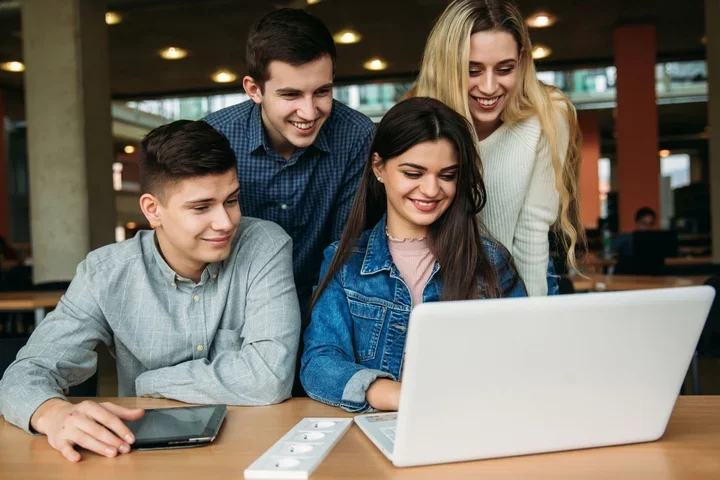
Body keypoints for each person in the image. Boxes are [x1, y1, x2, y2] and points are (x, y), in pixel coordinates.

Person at [0, 120, 300, 462]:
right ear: (152, 210)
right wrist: (52, 413)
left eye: (231, 200)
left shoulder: (265, 245)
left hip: (253, 448)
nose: (226, 222)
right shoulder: (105, 273)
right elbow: (26, 373)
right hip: (139, 456)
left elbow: (268, 378)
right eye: (201, 207)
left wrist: (148, 382)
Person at [300, 98, 527, 413]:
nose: (431, 189)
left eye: (447, 175)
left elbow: (524, 359)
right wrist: (398, 396)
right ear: (379, 167)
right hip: (381, 431)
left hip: (473, 423)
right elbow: (318, 364)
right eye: (413, 173)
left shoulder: (491, 262)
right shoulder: (345, 260)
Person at [204, 8, 375, 317]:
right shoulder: (215, 136)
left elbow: (345, 251)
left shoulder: (357, 136)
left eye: (322, 91)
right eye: (291, 95)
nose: (309, 113)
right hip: (233, 310)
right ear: (254, 90)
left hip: (324, 306)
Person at [408, 0, 584, 296]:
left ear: (522, 60)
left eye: (504, 69)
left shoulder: (548, 114)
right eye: (472, 71)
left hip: (523, 283)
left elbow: (532, 234)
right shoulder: (422, 118)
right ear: (446, 66)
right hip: (441, 284)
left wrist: (529, 322)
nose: (489, 88)